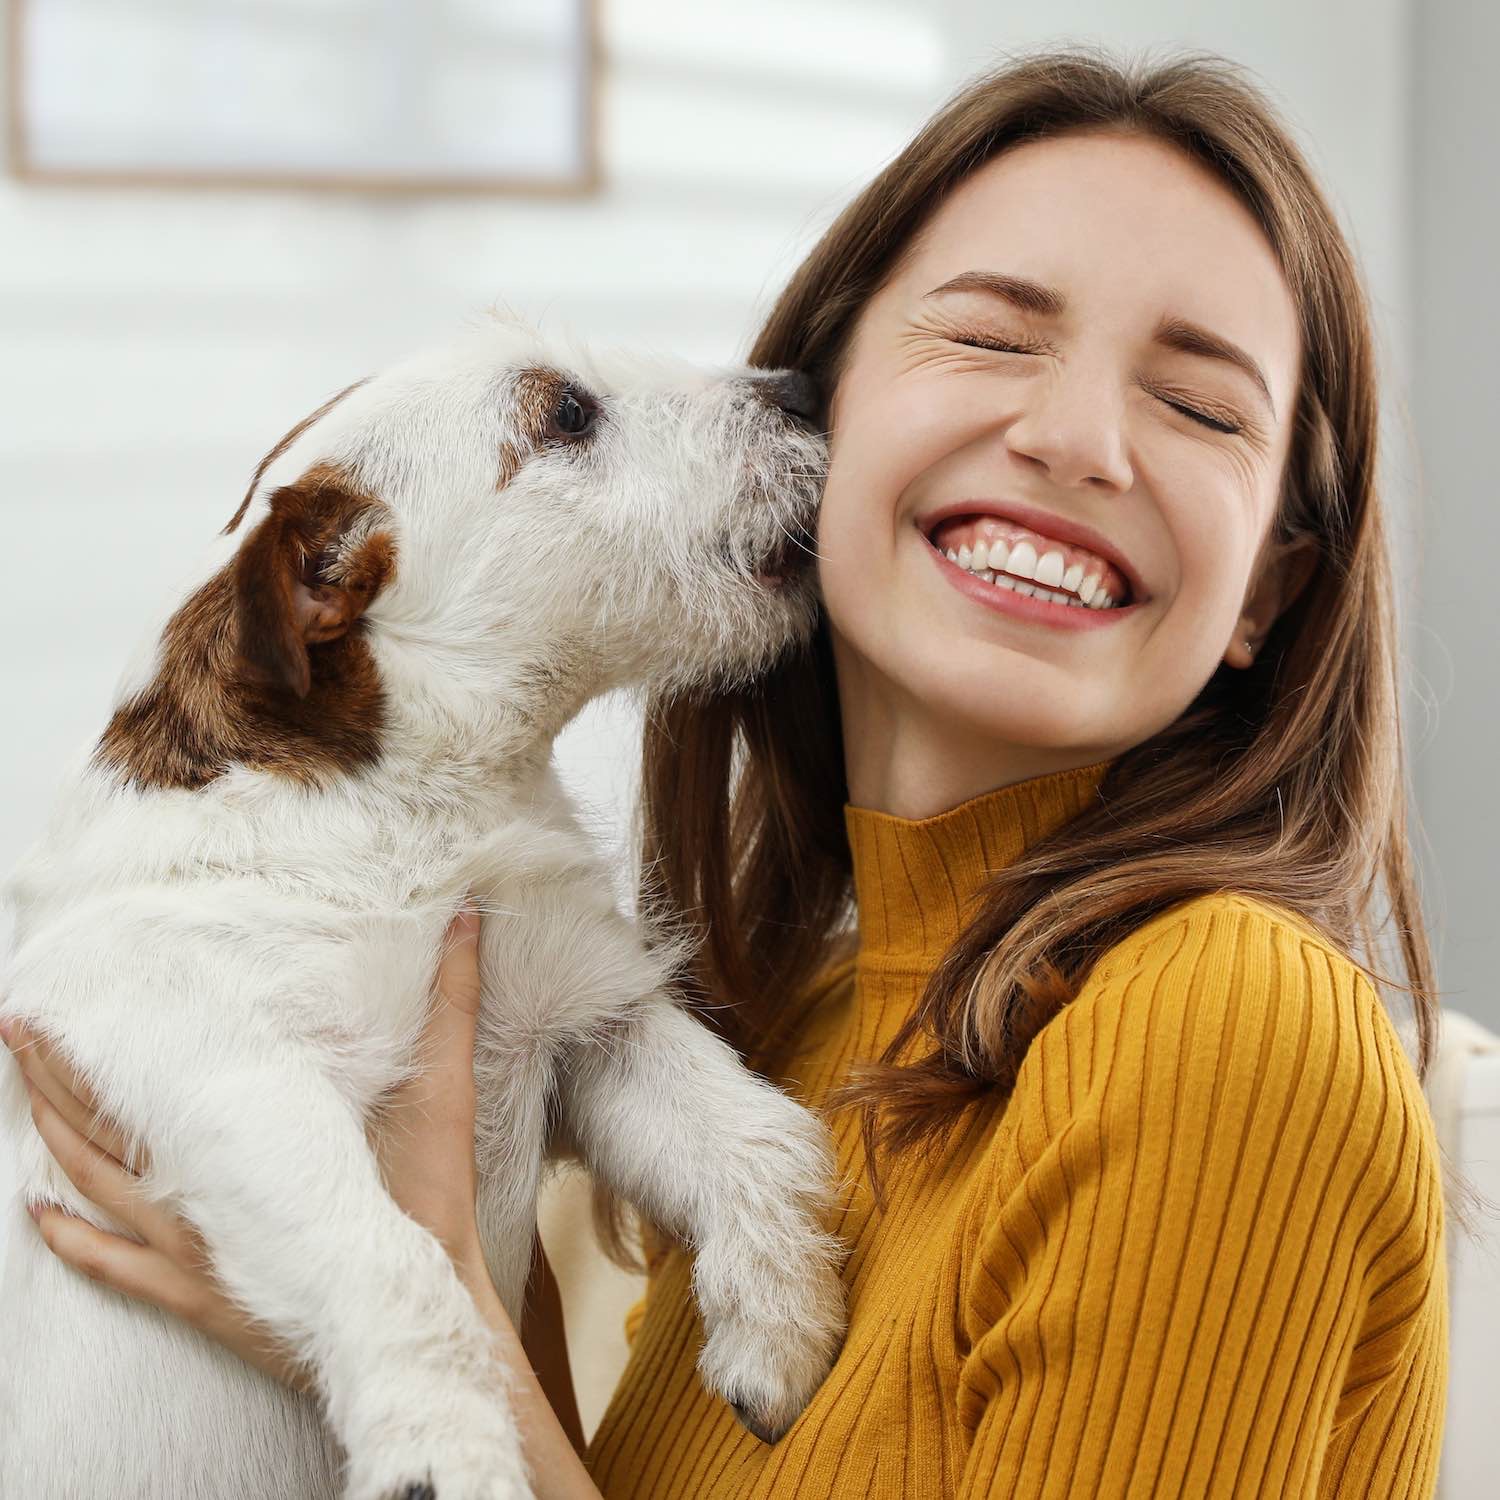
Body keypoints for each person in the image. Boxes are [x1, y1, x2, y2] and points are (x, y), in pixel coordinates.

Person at [0, 43, 1449, 1500]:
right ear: (829, 399)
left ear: (1269, 588)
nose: (1073, 441)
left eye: (1201, 406)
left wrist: (422, 1312)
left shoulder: (1227, 1030)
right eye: (995, 337)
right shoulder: (811, 1019)